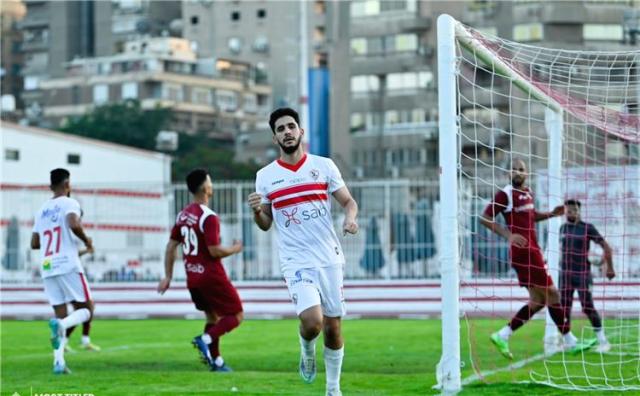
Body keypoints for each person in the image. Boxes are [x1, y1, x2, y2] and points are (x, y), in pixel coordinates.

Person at [248, 107, 358, 396]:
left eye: (290, 126)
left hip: (329, 258)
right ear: (275, 138)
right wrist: (257, 211)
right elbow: (264, 224)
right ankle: (306, 348)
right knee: (312, 323)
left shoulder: (324, 166)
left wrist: (350, 218)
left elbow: (349, 202)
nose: (286, 132)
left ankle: (333, 389)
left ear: (301, 132)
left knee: (333, 329)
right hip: (296, 260)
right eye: (280, 129)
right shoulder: (266, 176)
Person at [480, 159, 596, 359]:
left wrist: (551, 214)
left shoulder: (528, 193)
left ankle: (502, 335)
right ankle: (571, 342)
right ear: (508, 172)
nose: (517, 172)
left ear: (527, 173)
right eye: (513, 169)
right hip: (524, 252)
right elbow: (484, 217)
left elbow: (531, 216)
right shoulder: (506, 194)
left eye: (521, 169)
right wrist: (508, 235)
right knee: (553, 294)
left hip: (533, 250)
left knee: (539, 300)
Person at [158, 168, 244, 372]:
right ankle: (205, 339)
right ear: (206, 187)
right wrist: (234, 248)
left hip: (193, 278)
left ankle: (217, 362)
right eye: (210, 181)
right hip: (211, 276)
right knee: (236, 315)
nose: (212, 185)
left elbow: (171, 245)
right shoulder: (209, 217)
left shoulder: (183, 214)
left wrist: (168, 276)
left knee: (212, 318)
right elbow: (214, 251)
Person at [31, 168, 94, 374]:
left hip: (48, 265)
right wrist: (86, 240)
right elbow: (73, 223)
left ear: (51, 186)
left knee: (59, 312)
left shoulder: (41, 210)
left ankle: (58, 363)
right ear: (68, 185)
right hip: (67, 263)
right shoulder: (70, 202)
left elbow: (34, 242)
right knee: (87, 309)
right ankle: (63, 325)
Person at [560, 199, 615, 352]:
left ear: (579, 211)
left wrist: (609, 267)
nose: (572, 212)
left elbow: (606, 247)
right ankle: (567, 341)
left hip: (583, 273)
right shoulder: (562, 228)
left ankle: (603, 342)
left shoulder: (587, 228)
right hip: (565, 275)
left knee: (588, 306)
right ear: (565, 211)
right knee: (564, 308)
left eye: (575, 210)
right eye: (569, 210)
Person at [65, 210, 100, 353]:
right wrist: (87, 245)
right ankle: (67, 339)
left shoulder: (64, 231)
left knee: (85, 309)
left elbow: (71, 254)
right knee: (87, 308)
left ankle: (81, 340)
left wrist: (85, 251)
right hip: (69, 274)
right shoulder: (70, 231)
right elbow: (70, 255)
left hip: (62, 272)